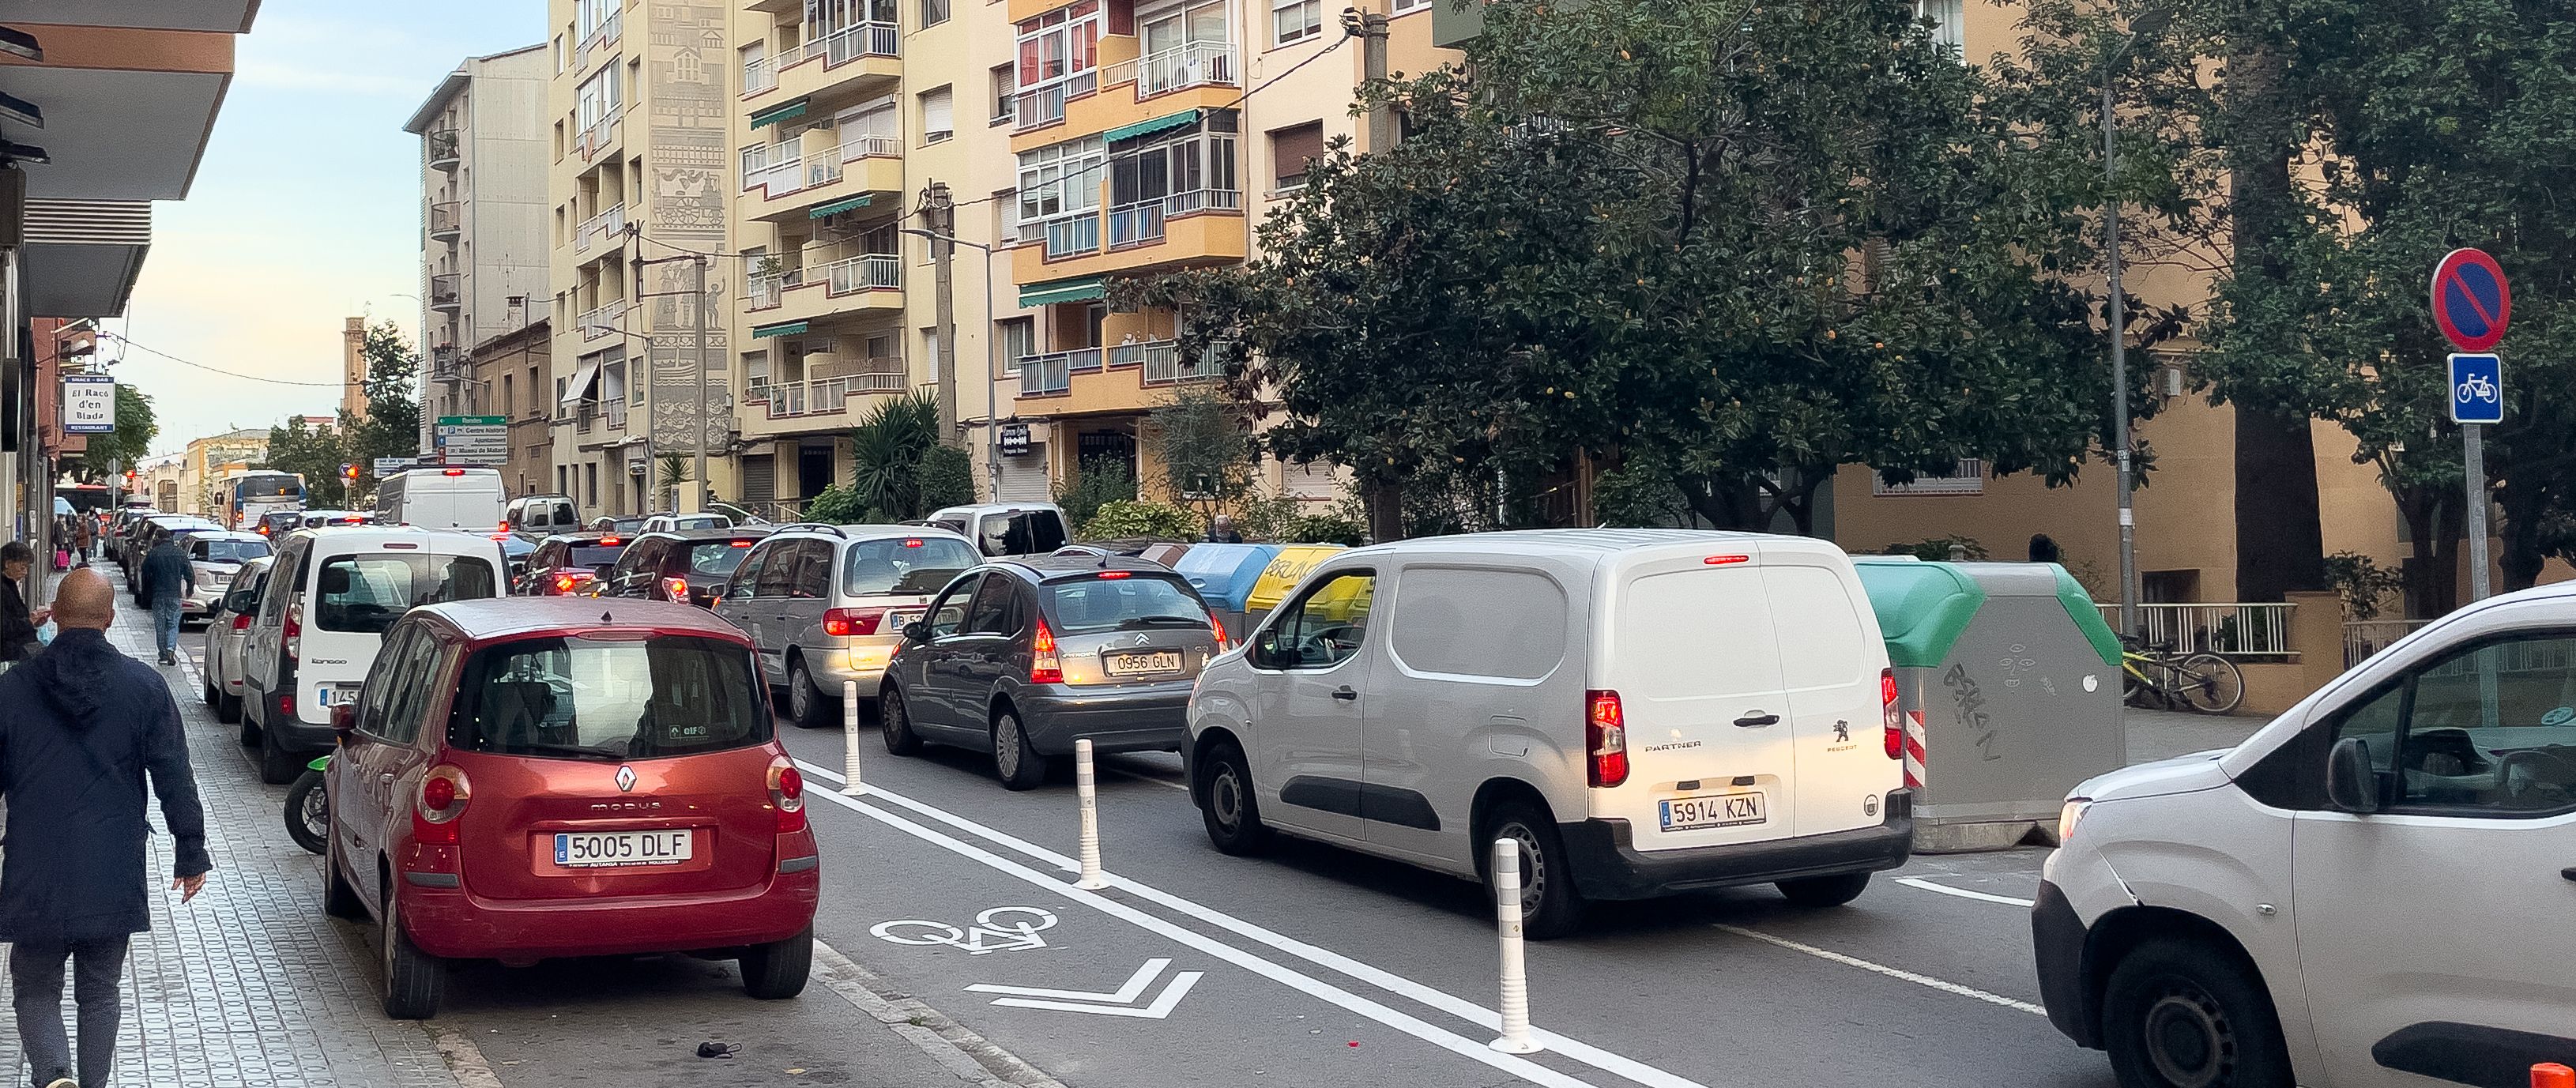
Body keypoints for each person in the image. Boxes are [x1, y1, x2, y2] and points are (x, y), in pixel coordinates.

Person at [0, 568, 210, 1088]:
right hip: (111, 864)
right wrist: (191, 851)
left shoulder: (13, 688)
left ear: (54, 613)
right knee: (99, 990)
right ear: (111, 618)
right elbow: (173, 773)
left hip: (34, 864)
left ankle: (53, 1075)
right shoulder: (144, 687)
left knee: (33, 984)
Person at [137, 529, 194, 666]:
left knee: (160, 625)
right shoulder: (178, 553)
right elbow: (189, 572)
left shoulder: (154, 553)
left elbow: (144, 572)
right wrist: (189, 588)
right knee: (173, 624)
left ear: (158, 538)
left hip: (158, 595)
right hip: (174, 594)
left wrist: (146, 594)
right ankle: (170, 649)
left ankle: (163, 654)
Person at [0, 542, 51, 663]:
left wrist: (33, 622)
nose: (25, 572)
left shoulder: (9, 585)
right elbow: (4, 627)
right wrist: (29, 621)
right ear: (8, 564)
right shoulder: (3, 589)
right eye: (22, 567)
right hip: (10, 656)